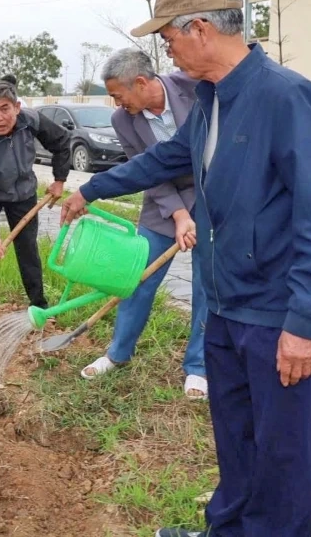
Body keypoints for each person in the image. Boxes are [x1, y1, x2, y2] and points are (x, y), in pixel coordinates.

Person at [58, 0, 311, 537]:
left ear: (199, 29)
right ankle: (228, 529)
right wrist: (89, 189)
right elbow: (166, 159)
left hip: (275, 316)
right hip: (224, 307)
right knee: (236, 441)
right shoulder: (213, 101)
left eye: (168, 37)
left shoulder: (287, 97)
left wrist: (306, 322)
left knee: (282, 458)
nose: (166, 49)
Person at [81, 48, 208, 400]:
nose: (117, 104)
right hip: (163, 202)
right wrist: (180, 214)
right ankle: (117, 353)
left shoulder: (195, 87)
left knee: (207, 285)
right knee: (138, 278)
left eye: (118, 96)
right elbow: (147, 170)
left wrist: (197, 213)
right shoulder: (124, 121)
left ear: (140, 82)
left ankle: (198, 367)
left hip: (212, 198)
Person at [0, 81, 71, 339]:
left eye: (4, 109)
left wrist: (59, 179)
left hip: (23, 193)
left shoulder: (31, 120)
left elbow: (61, 141)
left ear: (17, 107)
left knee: (27, 249)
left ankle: (39, 305)